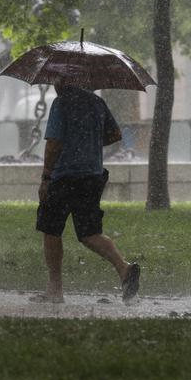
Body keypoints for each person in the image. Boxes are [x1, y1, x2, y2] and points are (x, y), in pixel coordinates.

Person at [32, 81, 140, 304]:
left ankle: (55, 289)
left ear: (66, 80)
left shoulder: (61, 104)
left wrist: (46, 177)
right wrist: (87, 139)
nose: (54, 84)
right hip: (92, 175)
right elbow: (114, 134)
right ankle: (124, 268)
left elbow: (53, 143)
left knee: (51, 229)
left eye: (57, 79)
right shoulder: (97, 102)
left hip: (63, 177)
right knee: (90, 233)